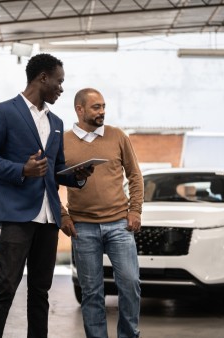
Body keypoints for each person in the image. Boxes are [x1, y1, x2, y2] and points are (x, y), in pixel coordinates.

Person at [0, 54, 92, 338]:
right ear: (43, 78)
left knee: (40, 291)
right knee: (5, 286)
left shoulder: (56, 122)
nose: (62, 88)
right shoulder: (3, 111)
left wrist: (76, 175)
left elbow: (56, 168)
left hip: (49, 217)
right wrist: (21, 169)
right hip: (17, 214)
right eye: (59, 81)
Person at [61, 88, 144, 338]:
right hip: (82, 227)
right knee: (92, 292)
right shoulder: (62, 142)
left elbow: (135, 175)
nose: (102, 112)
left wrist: (135, 210)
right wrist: (63, 215)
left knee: (130, 284)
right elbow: (51, 184)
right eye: (96, 107)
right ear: (80, 109)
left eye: (103, 106)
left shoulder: (117, 135)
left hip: (119, 224)